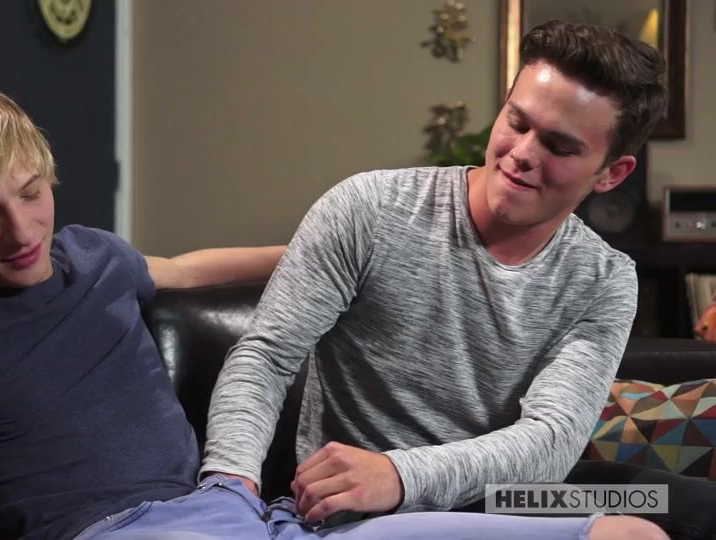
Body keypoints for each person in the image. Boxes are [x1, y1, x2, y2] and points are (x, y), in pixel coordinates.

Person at [0, 87, 661, 540]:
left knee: (640, 521)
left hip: (278, 519)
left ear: (608, 173)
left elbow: (183, 269)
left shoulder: (93, 258)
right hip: (173, 525)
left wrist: (335, 249)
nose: (22, 233)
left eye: (30, 193)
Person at [203, 19, 677, 538]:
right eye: (517, 122)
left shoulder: (605, 278)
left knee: (671, 505)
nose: (522, 153)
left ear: (611, 173)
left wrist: (401, 474)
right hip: (364, 513)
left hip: (507, 498)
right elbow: (265, 357)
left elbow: (553, 438)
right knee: (628, 534)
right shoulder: (370, 209)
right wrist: (229, 486)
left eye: (559, 147)